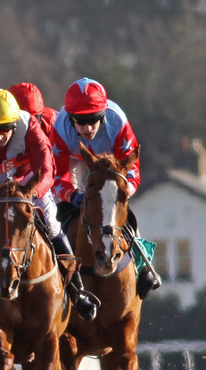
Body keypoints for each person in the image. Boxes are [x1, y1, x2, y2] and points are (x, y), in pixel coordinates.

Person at [0, 88, 100, 328]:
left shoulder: (30, 127)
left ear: (15, 121)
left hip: (27, 185)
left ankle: (78, 291)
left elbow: (47, 171)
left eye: (5, 129)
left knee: (51, 222)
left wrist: (30, 194)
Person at [51, 77, 161, 298]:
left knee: (115, 207)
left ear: (104, 115)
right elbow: (57, 177)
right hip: (74, 160)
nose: (88, 128)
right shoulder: (60, 129)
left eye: (94, 119)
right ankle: (56, 265)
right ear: (71, 119)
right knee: (57, 209)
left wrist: (123, 191)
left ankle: (144, 266)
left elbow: (132, 171)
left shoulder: (117, 122)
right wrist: (73, 197)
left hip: (111, 162)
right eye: (80, 122)